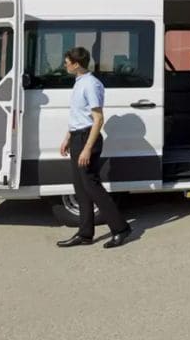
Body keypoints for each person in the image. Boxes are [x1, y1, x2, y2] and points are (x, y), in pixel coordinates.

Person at [56, 47, 133, 249]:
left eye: (67, 61)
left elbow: (98, 118)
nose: (65, 64)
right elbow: (78, 116)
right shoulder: (79, 82)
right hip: (77, 137)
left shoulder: (90, 84)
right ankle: (85, 234)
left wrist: (87, 149)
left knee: (92, 187)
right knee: (80, 190)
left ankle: (121, 228)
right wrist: (68, 137)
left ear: (76, 64)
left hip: (87, 139)